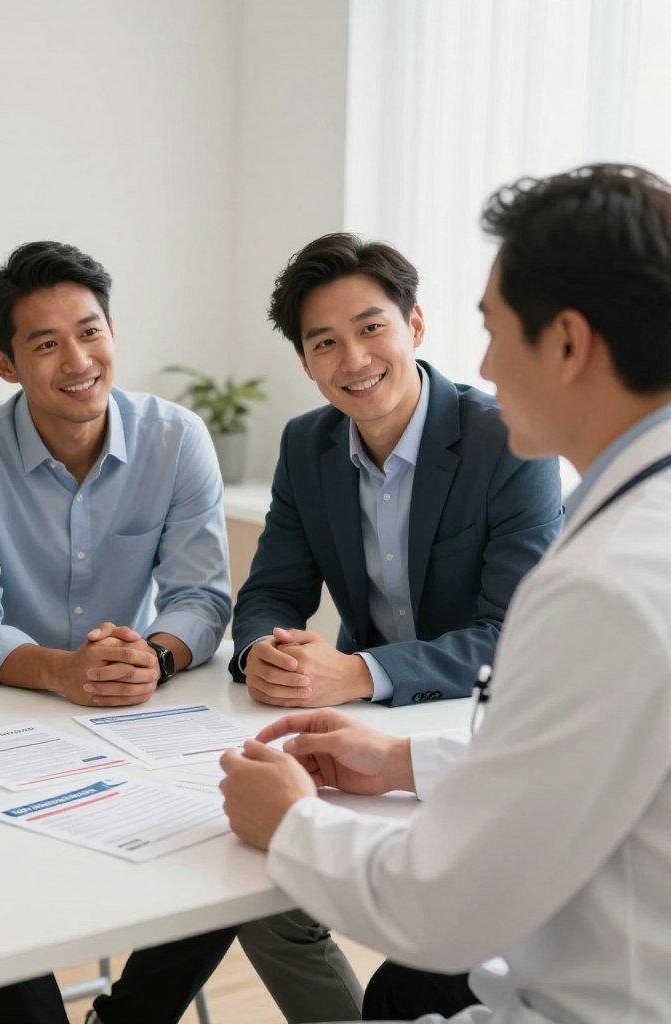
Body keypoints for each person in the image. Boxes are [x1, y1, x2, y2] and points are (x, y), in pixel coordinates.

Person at [220, 162, 671, 1023]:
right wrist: (400, 760)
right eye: (324, 341)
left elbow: (442, 906)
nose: (488, 364)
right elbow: (575, 754)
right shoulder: (635, 527)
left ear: (569, 344)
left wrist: (291, 824)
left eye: (493, 330)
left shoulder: (606, 585)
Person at [227, 233, 563, 1021]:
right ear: (306, 363)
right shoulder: (305, 444)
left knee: (411, 958)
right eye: (325, 342)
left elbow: (512, 634)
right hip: (361, 735)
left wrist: (361, 673)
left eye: (372, 327)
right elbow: (272, 589)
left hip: (480, 734)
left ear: (416, 324)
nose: (354, 359)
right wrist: (264, 651)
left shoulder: (507, 438)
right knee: (252, 877)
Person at [0, 240, 233, 1023]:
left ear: (114, 332)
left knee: (233, 831)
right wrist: (61, 670)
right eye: (46, 343)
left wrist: (153, 656)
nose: (78, 359)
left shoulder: (176, 437)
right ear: (5, 363)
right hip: (1, 722)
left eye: (90, 332)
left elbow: (202, 596)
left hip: (137, 716)